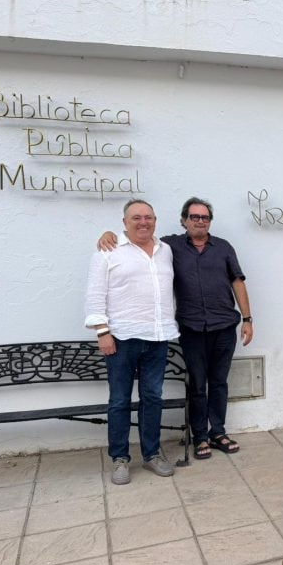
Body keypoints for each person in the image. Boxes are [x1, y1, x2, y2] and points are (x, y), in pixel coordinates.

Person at [99, 197, 253, 460]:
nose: (200, 221)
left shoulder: (224, 247)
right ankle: (199, 436)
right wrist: (109, 234)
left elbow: (237, 282)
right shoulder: (169, 247)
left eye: (204, 217)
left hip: (224, 326)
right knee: (198, 384)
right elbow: (139, 237)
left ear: (210, 221)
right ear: (184, 220)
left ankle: (218, 432)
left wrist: (247, 319)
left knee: (219, 383)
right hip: (191, 328)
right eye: (194, 217)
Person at [85, 199, 180, 485]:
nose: (143, 222)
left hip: (157, 337)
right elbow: (95, 293)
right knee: (119, 401)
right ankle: (120, 458)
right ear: (124, 222)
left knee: (152, 398)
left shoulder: (166, 250)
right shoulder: (108, 250)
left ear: (155, 220)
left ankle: (151, 454)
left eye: (148, 217)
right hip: (121, 339)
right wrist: (102, 331)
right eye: (136, 217)